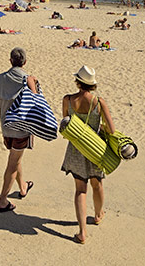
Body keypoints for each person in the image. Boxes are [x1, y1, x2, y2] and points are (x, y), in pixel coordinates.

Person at [61, 66, 115, 243]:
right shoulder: (99, 102)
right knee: (97, 183)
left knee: (80, 189)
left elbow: (65, 123)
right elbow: (111, 130)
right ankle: (98, 215)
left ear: (78, 82)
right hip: (95, 148)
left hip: (76, 147)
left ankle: (82, 232)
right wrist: (99, 129)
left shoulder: (68, 100)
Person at [0, 47, 37, 213]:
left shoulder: (0, 78)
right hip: (21, 129)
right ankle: (2, 201)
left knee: (15, 158)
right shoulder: (28, 79)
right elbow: (36, 104)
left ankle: (23, 187)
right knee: (13, 163)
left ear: (10, 61)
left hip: (5, 127)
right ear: (24, 62)